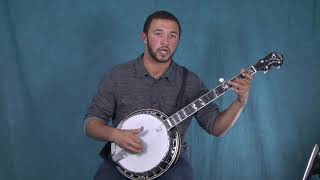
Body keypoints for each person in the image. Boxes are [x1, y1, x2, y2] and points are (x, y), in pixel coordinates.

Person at [84, 10, 253, 180]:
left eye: (172, 36)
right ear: (145, 37)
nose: (165, 41)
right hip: (122, 160)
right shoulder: (117, 76)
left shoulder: (191, 82)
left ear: (178, 40)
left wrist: (240, 101)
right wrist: (115, 135)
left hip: (172, 164)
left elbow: (216, 128)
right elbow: (91, 124)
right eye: (158, 34)